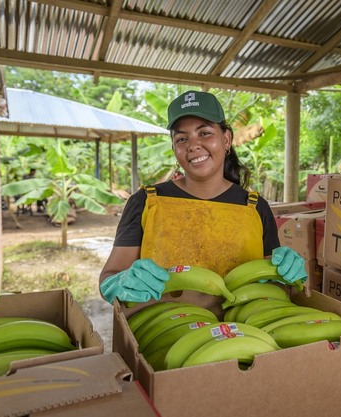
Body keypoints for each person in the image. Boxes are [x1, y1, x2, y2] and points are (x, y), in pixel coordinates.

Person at [99, 90, 307, 309]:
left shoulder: (256, 208)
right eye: (182, 138)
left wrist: (287, 271)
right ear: (174, 148)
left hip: (244, 326)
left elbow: (272, 281)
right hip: (163, 324)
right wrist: (118, 283)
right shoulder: (146, 202)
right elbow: (110, 275)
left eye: (205, 133)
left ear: (226, 139)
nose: (193, 145)